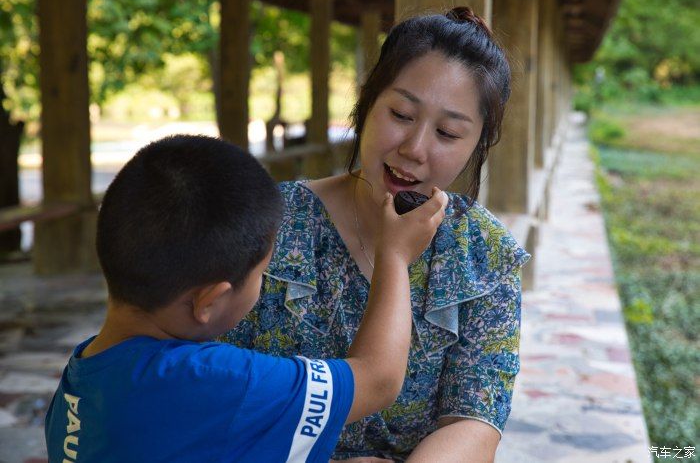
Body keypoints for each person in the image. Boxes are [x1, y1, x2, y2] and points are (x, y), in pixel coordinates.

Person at [221, 7, 530, 462]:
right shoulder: (268, 221)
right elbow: (213, 393)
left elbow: (474, 421)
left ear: (478, 144)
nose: (415, 148)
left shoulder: (483, 255)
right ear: (368, 102)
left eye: (447, 132)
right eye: (402, 114)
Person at [44, 134, 448, 462]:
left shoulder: (81, 381)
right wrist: (395, 257)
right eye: (260, 273)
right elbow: (378, 379)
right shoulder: (211, 379)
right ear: (208, 302)